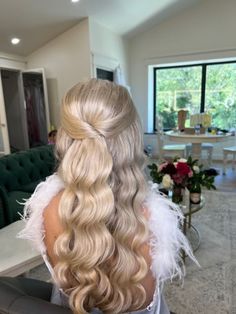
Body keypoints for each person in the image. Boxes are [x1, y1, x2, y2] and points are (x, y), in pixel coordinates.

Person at [19, 79, 197, 314]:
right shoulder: (152, 218)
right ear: (131, 137)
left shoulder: (49, 208)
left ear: (65, 136)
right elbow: (143, 304)